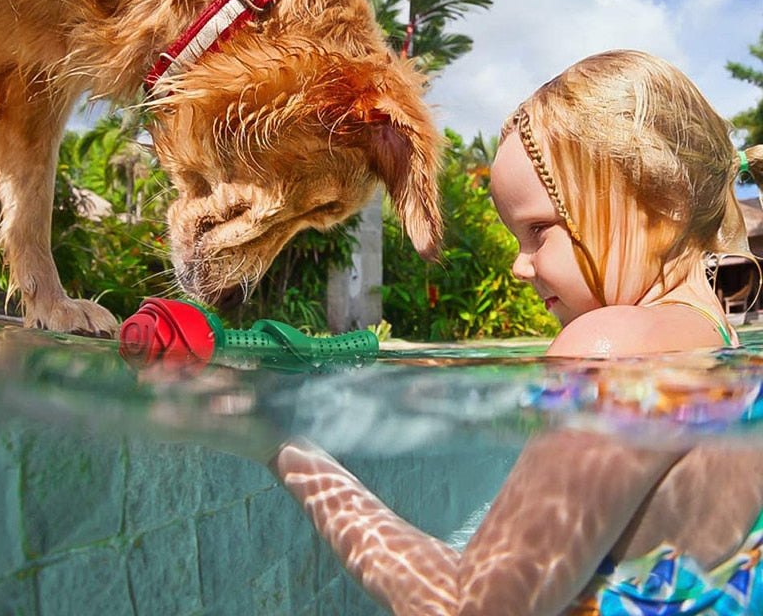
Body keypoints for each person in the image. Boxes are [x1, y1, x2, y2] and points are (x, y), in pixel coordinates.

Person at [265, 50, 763, 615]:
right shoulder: (718, 339)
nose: (520, 266)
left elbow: (467, 607)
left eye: (538, 230)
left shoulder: (608, 345)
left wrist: (281, 447)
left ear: (662, 204)